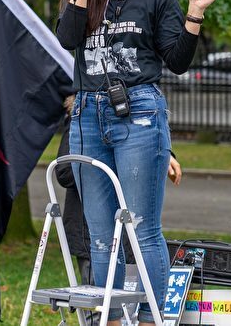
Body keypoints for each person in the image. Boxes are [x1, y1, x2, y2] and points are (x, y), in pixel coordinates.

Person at [55, 0, 223, 325]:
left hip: (138, 114)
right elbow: (67, 38)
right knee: (98, 232)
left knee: (140, 226)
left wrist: (195, 11)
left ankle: (150, 318)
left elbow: (178, 59)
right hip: (88, 114)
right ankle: (109, 318)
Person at [55, 95, 183, 324]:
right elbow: (64, 171)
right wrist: (117, 170)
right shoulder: (83, 116)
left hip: (128, 237)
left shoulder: (140, 114)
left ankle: (148, 317)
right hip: (89, 234)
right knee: (99, 311)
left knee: (147, 242)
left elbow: (140, 149)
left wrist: (144, 161)